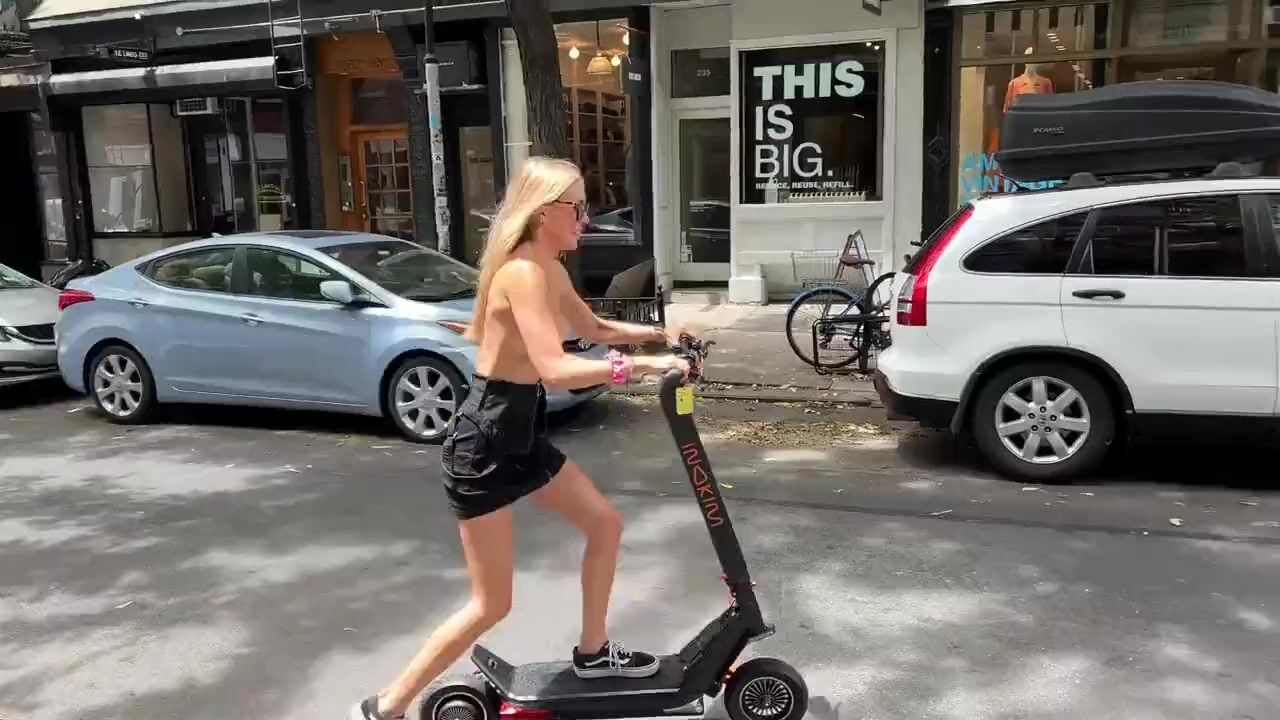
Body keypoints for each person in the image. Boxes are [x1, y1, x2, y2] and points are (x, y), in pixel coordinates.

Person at [351, 157, 692, 720]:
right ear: (541, 213)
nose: (586, 220)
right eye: (577, 208)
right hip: (484, 446)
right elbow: (555, 369)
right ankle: (386, 706)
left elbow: (594, 329)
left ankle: (593, 653)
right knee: (492, 604)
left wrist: (662, 333)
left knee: (604, 524)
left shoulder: (548, 269)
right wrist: (642, 366)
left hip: (521, 432)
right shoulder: (522, 274)